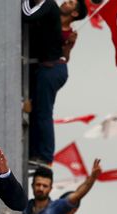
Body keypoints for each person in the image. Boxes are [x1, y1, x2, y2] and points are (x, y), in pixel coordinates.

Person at [22, 0, 69, 165]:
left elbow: (27, 15)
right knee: (36, 113)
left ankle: (45, 156)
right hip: (45, 68)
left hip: (51, 69)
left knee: (43, 113)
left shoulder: (48, 4)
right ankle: (35, 154)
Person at [23, 159, 101, 214]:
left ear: (50, 188)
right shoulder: (25, 208)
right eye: (38, 185)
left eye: (45, 186)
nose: (41, 188)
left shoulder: (56, 208)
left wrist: (92, 178)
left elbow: (77, 194)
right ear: (32, 185)